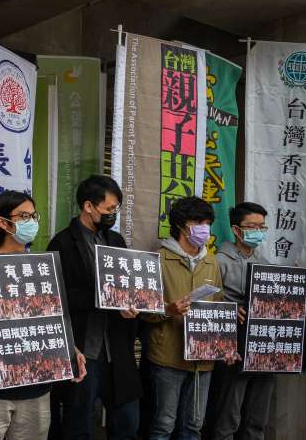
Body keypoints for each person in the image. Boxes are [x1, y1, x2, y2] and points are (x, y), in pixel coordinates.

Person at [0, 190, 87, 440]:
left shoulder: (41, 267)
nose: (32, 222)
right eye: (24, 216)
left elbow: (53, 322)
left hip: (37, 392)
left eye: (34, 216)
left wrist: (72, 352)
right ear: (3, 223)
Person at [47, 175, 142, 440]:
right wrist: (102, 296)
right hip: (83, 350)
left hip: (117, 349)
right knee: (79, 425)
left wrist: (131, 303)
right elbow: (55, 298)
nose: (113, 214)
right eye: (109, 209)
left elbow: (128, 286)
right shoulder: (62, 243)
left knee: (127, 423)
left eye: (116, 209)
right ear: (88, 206)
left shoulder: (116, 241)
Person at [142, 196, 235, 440]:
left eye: (207, 222)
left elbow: (217, 307)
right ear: (182, 225)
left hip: (203, 360)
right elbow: (142, 311)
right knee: (164, 425)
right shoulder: (158, 259)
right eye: (198, 222)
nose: (204, 228)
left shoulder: (211, 261)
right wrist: (168, 309)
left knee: (194, 426)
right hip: (168, 357)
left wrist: (225, 345)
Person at [203, 202, 274, 440]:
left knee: (258, 417)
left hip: (264, 348)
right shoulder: (217, 261)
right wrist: (229, 311)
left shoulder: (266, 263)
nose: (258, 231)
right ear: (236, 229)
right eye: (252, 226)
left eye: (262, 227)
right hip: (233, 347)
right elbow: (205, 302)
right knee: (228, 415)